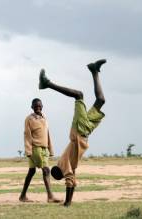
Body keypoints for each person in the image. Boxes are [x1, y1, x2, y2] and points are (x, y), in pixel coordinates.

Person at [40, 59, 107, 207]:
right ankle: (47, 84)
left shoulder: (69, 164)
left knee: (99, 100)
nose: (55, 165)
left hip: (84, 132)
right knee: (80, 95)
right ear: (59, 169)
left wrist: (67, 201)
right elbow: (70, 180)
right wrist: (67, 203)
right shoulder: (65, 164)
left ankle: (94, 71)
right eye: (55, 168)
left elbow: (72, 180)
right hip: (81, 130)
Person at [19, 98, 61, 203]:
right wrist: (28, 151)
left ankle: (22, 196)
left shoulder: (44, 118)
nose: (38, 107)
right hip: (35, 149)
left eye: (39, 105)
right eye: (35, 106)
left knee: (31, 171)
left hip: (44, 148)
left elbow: (47, 134)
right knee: (46, 170)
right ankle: (50, 196)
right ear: (32, 107)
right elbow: (27, 135)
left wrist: (50, 149)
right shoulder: (29, 119)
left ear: (42, 106)